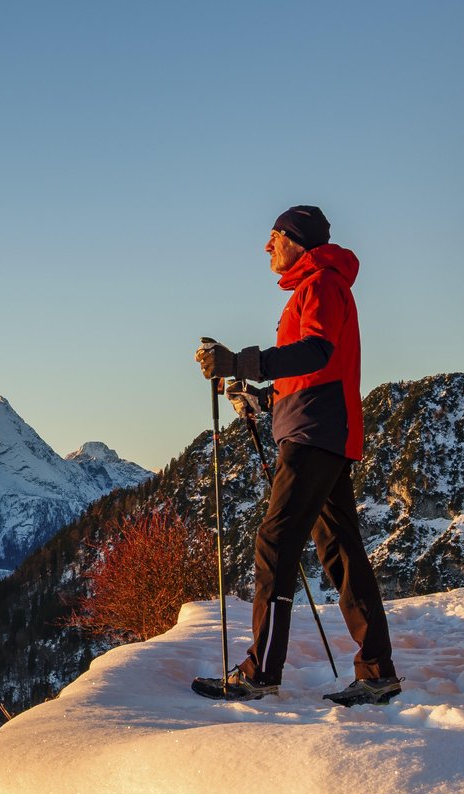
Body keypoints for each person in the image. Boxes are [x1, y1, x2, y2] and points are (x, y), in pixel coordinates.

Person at [191, 205, 400, 706]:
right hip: (320, 427)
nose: (267, 246)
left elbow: (317, 351)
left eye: (275, 236)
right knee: (341, 551)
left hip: (314, 433)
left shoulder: (322, 284)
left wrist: (242, 361)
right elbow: (311, 371)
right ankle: (376, 671)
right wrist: (263, 398)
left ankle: (261, 671)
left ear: (297, 240)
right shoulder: (314, 287)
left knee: (276, 541)